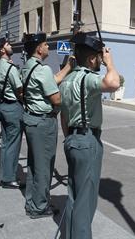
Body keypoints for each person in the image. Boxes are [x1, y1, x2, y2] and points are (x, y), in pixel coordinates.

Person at [60, 32, 120, 239]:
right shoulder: (89, 78)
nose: (100, 60)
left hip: (72, 140)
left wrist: (69, 138)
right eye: (98, 57)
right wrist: (110, 63)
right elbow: (113, 83)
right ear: (92, 58)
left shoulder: (67, 80)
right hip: (87, 141)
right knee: (85, 202)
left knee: (74, 195)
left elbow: (64, 116)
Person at [21, 32, 73, 219]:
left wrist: (68, 67)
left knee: (34, 164)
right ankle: (40, 207)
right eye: (45, 45)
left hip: (32, 119)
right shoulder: (41, 70)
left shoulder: (28, 67)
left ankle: (32, 202)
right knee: (44, 166)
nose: (47, 47)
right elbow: (56, 98)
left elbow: (51, 80)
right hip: (43, 122)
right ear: (38, 49)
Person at [0, 36, 24, 189]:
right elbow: (20, 91)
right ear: (2, 50)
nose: (11, 46)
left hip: (2, 105)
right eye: (8, 44)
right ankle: (9, 178)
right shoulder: (10, 68)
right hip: (13, 107)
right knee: (13, 144)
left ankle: (6, 175)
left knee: (6, 144)